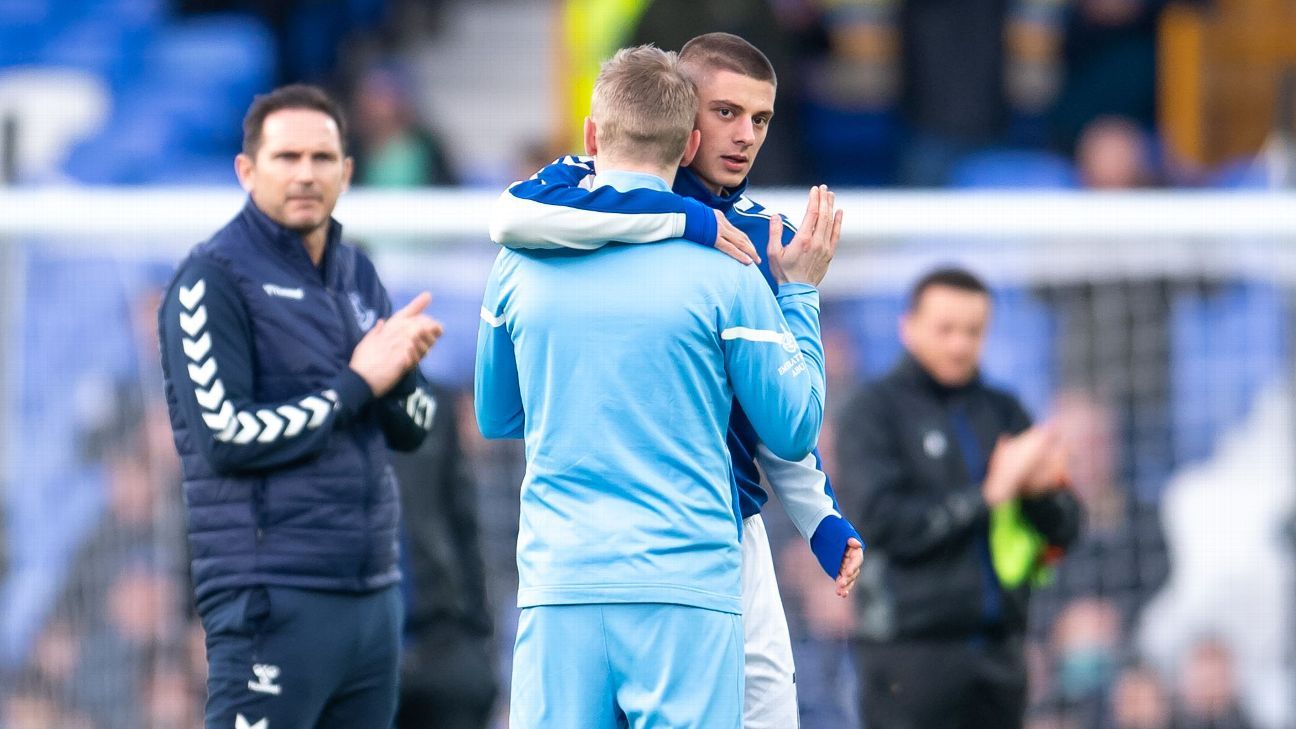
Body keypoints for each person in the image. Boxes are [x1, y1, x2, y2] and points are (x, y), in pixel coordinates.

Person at [489, 32, 863, 728]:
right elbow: (509, 217)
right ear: (683, 119)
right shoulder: (582, 192)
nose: (745, 135)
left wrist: (818, 517)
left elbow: (776, 410)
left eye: (761, 119)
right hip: (633, 545)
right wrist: (686, 219)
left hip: (722, 534)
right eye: (726, 112)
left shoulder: (760, 239)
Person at [157, 84, 443, 729]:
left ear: (347, 171)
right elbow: (225, 435)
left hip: (372, 597)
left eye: (322, 158)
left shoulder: (358, 273)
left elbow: (414, 430)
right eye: (287, 157)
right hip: (271, 595)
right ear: (247, 170)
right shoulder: (211, 280)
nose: (306, 174)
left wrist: (398, 376)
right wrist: (358, 383)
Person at [835, 267, 1083, 729]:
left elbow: (1067, 529)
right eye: (945, 329)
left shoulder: (1004, 411)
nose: (960, 344)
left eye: (973, 331)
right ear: (908, 327)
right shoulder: (872, 413)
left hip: (1000, 655)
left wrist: (1040, 493)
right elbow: (880, 524)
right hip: (907, 657)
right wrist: (988, 495)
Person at [390, 382, 497, 729]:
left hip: (440, 635)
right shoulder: (327, 405)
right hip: (358, 646)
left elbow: (464, 522)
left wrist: (478, 637)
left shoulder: (432, 404)